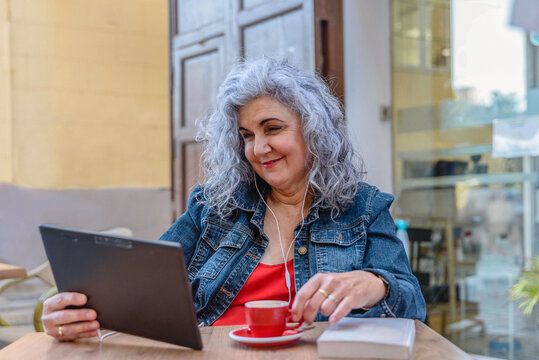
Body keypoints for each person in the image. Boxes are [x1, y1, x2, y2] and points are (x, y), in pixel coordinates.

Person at [41, 58, 426, 340]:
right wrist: (75, 312)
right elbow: (140, 288)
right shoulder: (212, 207)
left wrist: (377, 284)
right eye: (246, 135)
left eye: (272, 128)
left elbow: (413, 305)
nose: (258, 148)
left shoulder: (364, 207)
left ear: (315, 131)